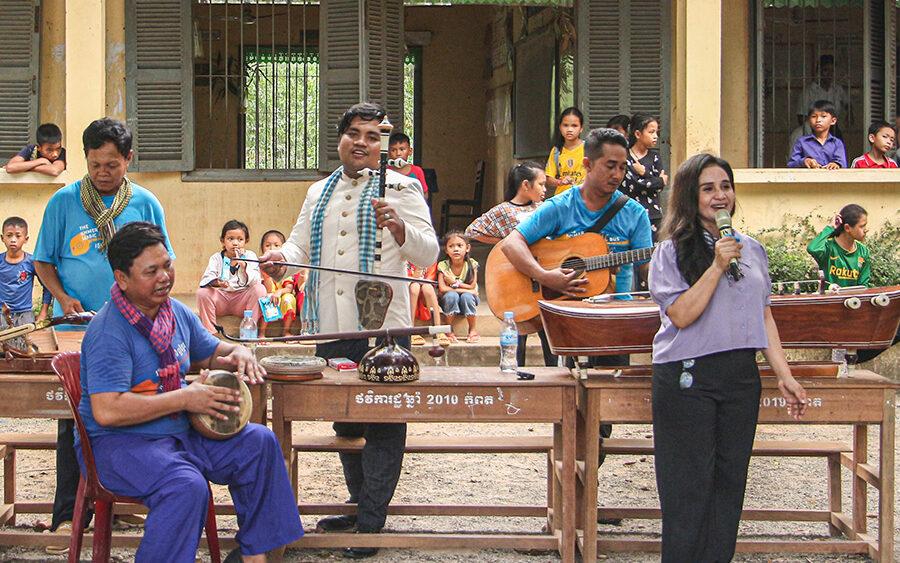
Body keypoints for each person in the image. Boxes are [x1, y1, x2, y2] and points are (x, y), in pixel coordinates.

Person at [259, 102, 438, 559]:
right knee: (345, 415)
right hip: (332, 322)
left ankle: (373, 521)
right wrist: (282, 257)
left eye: (372, 136)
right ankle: (360, 506)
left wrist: (399, 227)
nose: (362, 142)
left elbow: (428, 249)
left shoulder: (402, 186)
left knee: (382, 418)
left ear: (382, 145)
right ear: (339, 139)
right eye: (354, 133)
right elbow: (300, 242)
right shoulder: (318, 191)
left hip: (384, 329)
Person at [79, 222, 302, 563]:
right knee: (186, 486)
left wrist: (238, 353)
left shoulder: (175, 313)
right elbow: (108, 410)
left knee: (259, 444)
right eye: (150, 271)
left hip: (177, 433)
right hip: (118, 445)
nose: (164, 277)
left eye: (166, 265)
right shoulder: (109, 331)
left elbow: (210, 351)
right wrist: (186, 397)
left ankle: (253, 555)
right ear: (122, 279)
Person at [648, 153, 807, 562]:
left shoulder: (751, 249)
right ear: (690, 196)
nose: (720, 196)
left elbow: (764, 314)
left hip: (740, 376)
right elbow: (681, 315)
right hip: (689, 377)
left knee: (728, 484)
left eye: (725, 186)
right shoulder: (671, 252)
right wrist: (717, 265)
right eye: (708, 188)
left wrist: (783, 374)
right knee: (689, 487)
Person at [33, 117, 174, 550]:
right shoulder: (63, 201)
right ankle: (67, 511)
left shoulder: (146, 202)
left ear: (128, 160)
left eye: (111, 164)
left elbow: (164, 264)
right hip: (77, 327)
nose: (102, 173)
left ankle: (123, 501)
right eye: (95, 164)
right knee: (74, 416)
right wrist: (62, 296)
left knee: (134, 407)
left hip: (134, 328)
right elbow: (43, 261)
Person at [501, 129, 653, 508]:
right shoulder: (560, 205)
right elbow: (511, 244)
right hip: (566, 324)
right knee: (567, 410)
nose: (617, 174)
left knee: (601, 417)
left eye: (621, 167)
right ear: (588, 164)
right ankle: (570, 502)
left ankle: (583, 499)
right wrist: (546, 276)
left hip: (613, 325)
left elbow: (649, 268)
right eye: (609, 166)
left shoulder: (633, 214)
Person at [465, 161, 556, 366]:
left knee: (546, 330)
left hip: (542, 275)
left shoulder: (545, 208)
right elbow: (473, 230)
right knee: (517, 331)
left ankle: (554, 378)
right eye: (541, 184)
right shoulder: (504, 210)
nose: (544, 189)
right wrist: (505, 244)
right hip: (516, 279)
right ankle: (514, 375)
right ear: (526, 185)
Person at [197, 220, 266, 335]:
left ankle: (248, 332)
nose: (235, 243)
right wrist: (217, 282)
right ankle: (211, 333)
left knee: (260, 289)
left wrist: (244, 266)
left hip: (242, 301)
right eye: (230, 239)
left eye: (240, 239)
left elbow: (256, 281)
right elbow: (206, 279)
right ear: (222, 241)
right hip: (222, 300)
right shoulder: (216, 258)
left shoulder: (250, 256)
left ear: (246, 241)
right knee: (202, 293)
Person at [0, 217, 52, 351]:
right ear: (2, 238)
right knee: (4, 351)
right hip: (2, 314)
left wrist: (43, 312)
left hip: (25, 315)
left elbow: (47, 285)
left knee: (26, 349)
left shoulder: (31, 262)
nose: (13, 239)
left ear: (26, 239)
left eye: (18, 236)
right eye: (9, 235)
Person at [622, 113, 668, 241]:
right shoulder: (625, 157)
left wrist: (644, 173)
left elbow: (660, 187)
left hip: (653, 215)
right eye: (651, 132)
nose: (655, 136)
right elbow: (633, 184)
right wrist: (657, 180)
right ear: (638, 134)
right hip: (630, 214)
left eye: (656, 132)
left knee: (653, 253)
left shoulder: (655, 157)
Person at [807, 204, 870, 288]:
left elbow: (863, 285)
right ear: (847, 228)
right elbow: (813, 249)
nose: (866, 230)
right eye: (862, 226)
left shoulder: (863, 251)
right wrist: (831, 227)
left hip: (852, 300)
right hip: (830, 300)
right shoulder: (828, 248)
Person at [437, 231, 480, 344]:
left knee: (467, 297)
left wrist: (453, 282)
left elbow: (472, 285)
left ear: (467, 248)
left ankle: (472, 330)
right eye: (451, 246)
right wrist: (465, 289)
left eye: (460, 245)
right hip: (449, 300)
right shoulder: (443, 265)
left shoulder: (472, 264)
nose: (455, 249)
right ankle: (448, 329)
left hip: (467, 299)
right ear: (446, 250)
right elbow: (442, 289)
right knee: (452, 295)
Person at [259, 230, 300, 336]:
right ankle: (262, 333)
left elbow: (289, 288)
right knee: (267, 299)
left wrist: (279, 292)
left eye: (276, 245)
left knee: (289, 298)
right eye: (268, 245)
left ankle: (286, 331)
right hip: (269, 295)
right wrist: (267, 277)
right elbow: (267, 289)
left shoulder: (285, 266)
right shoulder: (260, 266)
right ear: (262, 248)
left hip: (281, 297)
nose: (272, 249)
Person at [787, 100, 847, 169]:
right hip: (808, 179)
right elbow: (791, 164)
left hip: (831, 178)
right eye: (814, 116)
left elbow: (842, 163)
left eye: (823, 116)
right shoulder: (802, 142)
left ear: (833, 121)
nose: (818, 120)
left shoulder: (837, 143)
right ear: (809, 120)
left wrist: (836, 164)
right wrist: (804, 161)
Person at [546, 107, 586, 195]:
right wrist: (560, 182)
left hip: (584, 198)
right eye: (565, 125)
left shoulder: (588, 149)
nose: (569, 129)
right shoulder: (556, 151)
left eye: (574, 126)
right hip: (562, 200)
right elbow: (548, 178)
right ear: (560, 127)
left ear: (581, 128)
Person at [407, 262, 445, 346]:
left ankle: (438, 328)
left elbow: (430, 278)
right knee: (414, 287)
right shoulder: (405, 258)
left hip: (425, 291)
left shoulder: (430, 257)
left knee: (427, 287)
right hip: (409, 292)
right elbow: (405, 279)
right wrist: (416, 273)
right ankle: (410, 329)